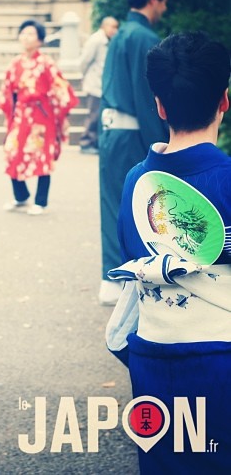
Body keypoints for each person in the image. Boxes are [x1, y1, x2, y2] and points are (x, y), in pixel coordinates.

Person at [106, 32, 231, 473]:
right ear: (224, 101)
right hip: (221, 355)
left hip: (153, 355)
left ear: (159, 106)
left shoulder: (134, 185)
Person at [98, 0, 171, 305]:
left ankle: (112, 278)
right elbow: (147, 100)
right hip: (133, 134)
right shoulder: (143, 38)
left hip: (112, 130)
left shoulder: (121, 34)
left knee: (114, 204)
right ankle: (127, 279)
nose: (165, 9)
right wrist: (162, 145)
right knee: (137, 208)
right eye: (164, 2)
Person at [0, 19, 78, 215]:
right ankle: (21, 196)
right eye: (23, 32)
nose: (26, 37)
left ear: (40, 40)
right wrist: (8, 115)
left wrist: (63, 116)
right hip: (20, 115)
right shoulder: (15, 63)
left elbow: (61, 89)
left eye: (31, 33)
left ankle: (40, 201)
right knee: (12, 153)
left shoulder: (46, 63)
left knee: (42, 157)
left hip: (42, 116)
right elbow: (8, 92)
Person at [78, 16, 119, 154]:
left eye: (116, 27)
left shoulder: (108, 41)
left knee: (100, 116)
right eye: (112, 27)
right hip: (94, 84)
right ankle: (86, 142)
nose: (114, 30)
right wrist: (83, 77)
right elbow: (84, 61)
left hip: (102, 85)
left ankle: (94, 143)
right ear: (104, 26)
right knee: (94, 115)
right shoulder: (96, 40)